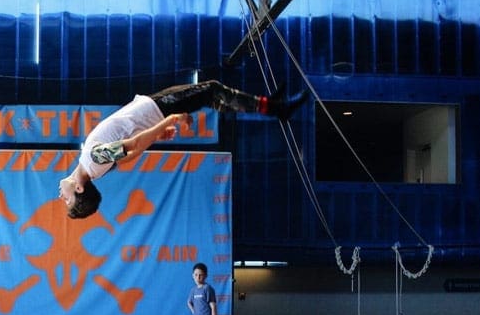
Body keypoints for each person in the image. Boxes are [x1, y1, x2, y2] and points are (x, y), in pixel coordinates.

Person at [58, 80, 307, 219]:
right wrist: (168, 121)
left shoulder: (95, 170)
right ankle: (273, 108)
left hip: (151, 113)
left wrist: (157, 134)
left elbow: (131, 153)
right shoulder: (93, 159)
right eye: (67, 200)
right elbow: (132, 147)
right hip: (156, 111)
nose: (62, 196)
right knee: (211, 90)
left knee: (209, 96)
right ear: (79, 188)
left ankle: (269, 105)